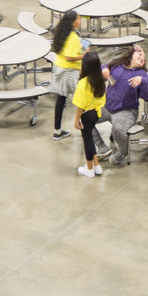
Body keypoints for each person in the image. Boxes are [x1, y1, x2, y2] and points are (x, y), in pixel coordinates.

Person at [104, 43, 148, 167]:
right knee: (85, 116)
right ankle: (101, 148)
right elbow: (102, 67)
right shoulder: (117, 64)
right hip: (106, 105)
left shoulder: (141, 74)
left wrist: (143, 82)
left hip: (126, 111)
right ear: (130, 55)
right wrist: (104, 70)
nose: (142, 58)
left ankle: (123, 153)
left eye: (143, 58)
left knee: (118, 130)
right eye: (139, 55)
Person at [48, 12, 84, 141]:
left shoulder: (62, 32)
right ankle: (86, 131)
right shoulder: (73, 37)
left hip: (59, 69)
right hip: (69, 72)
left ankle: (57, 131)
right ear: (73, 22)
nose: (80, 21)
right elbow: (70, 57)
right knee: (82, 101)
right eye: (78, 19)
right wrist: (83, 56)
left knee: (61, 100)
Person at [71, 51, 107, 178]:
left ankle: (89, 169)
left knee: (87, 141)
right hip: (96, 113)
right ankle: (96, 166)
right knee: (90, 139)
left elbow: (80, 105)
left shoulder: (83, 83)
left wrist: (76, 120)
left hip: (86, 115)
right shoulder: (101, 80)